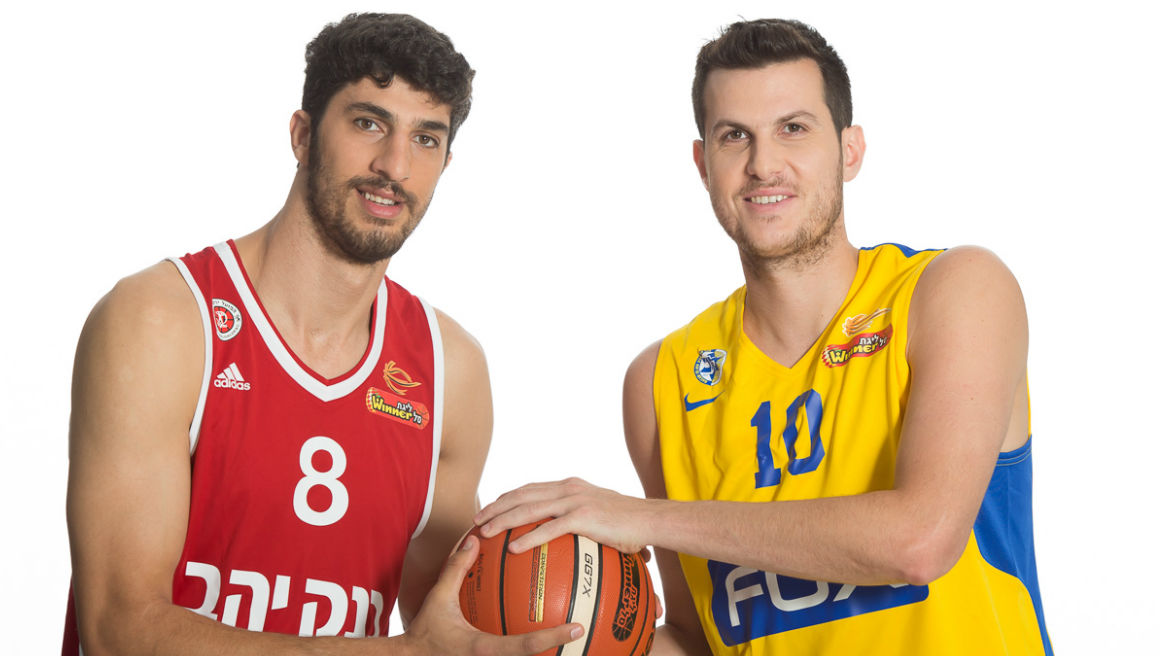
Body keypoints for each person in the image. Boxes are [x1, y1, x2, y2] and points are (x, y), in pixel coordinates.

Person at [474, 18, 1052, 655]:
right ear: (703, 164)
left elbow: (921, 541)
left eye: (793, 128)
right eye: (734, 136)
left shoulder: (953, 292)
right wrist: (562, 640)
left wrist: (644, 519)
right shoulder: (661, 380)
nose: (763, 164)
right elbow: (697, 638)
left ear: (850, 150)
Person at [62, 13, 581, 656]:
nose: (395, 165)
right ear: (303, 136)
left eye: (425, 139)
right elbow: (118, 631)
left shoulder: (451, 371)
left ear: (446, 163)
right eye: (369, 123)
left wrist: (584, 586)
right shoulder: (163, 322)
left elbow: (452, 627)